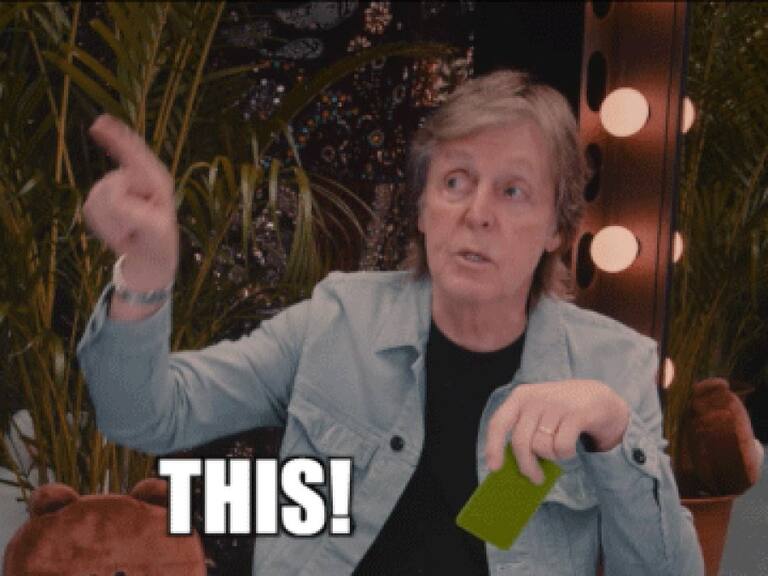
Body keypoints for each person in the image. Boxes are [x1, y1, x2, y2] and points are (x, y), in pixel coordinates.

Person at [77, 70, 705, 575]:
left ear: (556, 230)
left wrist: (613, 430)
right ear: (424, 208)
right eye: (455, 182)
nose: (477, 213)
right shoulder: (336, 322)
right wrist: (145, 275)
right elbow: (145, 415)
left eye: (513, 191)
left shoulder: (610, 368)